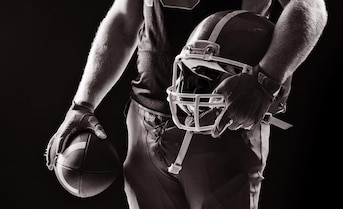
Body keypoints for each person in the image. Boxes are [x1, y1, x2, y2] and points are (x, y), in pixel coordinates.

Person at [44, 0, 327, 208]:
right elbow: (124, 17)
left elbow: (311, 6)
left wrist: (266, 80)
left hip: (221, 122)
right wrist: (82, 104)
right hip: (144, 120)